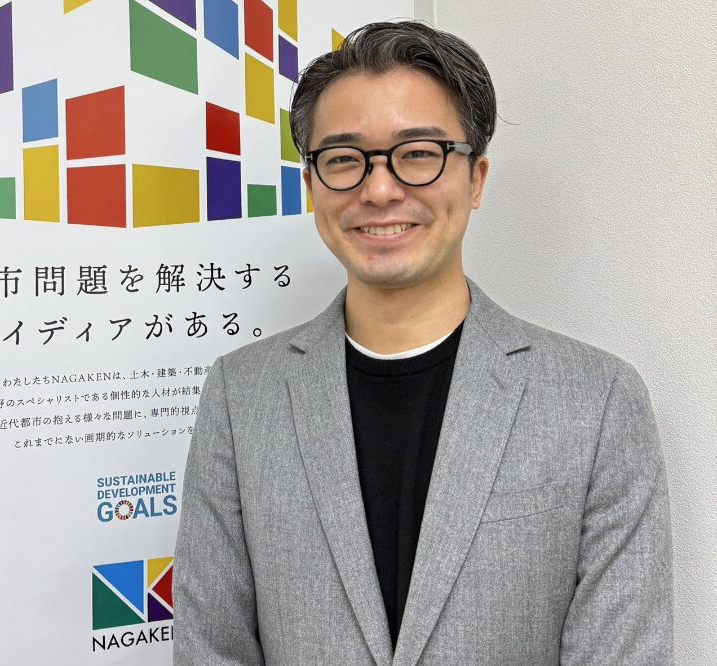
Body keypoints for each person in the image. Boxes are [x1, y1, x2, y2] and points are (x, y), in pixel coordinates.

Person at [173, 20, 673, 665]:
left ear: (475, 179)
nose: (380, 189)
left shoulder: (597, 401)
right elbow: (211, 646)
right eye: (344, 159)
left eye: (417, 153)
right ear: (312, 185)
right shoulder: (241, 395)